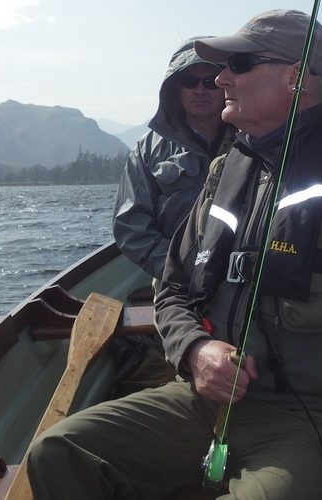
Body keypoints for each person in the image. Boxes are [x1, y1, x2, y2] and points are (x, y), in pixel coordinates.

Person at [26, 9, 322, 500]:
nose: (219, 79)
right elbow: (172, 288)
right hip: (201, 403)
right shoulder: (226, 173)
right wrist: (195, 350)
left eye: (238, 65)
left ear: (296, 79)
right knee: (59, 452)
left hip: (316, 420)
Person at [107, 38, 237, 396]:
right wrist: (182, 271)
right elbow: (130, 226)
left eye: (209, 82)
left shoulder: (256, 139)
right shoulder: (145, 150)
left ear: (225, 86)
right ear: (174, 90)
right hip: (175, 285)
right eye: (188, 82)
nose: (200, 90)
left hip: (243, 280)